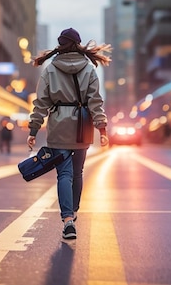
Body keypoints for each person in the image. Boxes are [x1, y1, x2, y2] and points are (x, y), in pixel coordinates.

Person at [27, 28, 110, 240]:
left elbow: (41, 103)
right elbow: (95, 101)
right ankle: (73, 212)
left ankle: (67, 220)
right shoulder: (89, 69)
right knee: (78, 172)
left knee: (63, 174)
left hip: (58, 126)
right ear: (78, 45)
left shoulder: (50, 69)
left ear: (61, 45)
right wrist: (101, 129)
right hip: (82, 125)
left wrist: (34, 129)